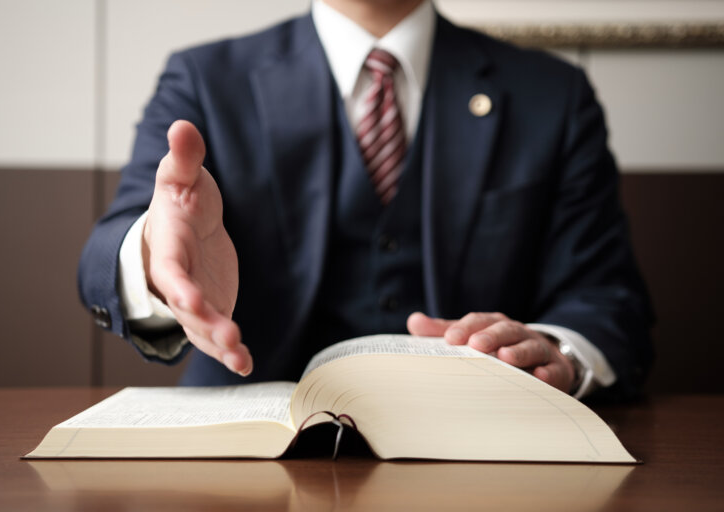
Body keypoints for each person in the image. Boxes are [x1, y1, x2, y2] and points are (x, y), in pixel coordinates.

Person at [79, 0, 653, 400]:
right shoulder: (205, 78)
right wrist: (154, 258)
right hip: (241, 448)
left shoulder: (553, 95)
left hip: (483, 449)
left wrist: (559, 352)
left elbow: (607, 297)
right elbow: (110, 247)